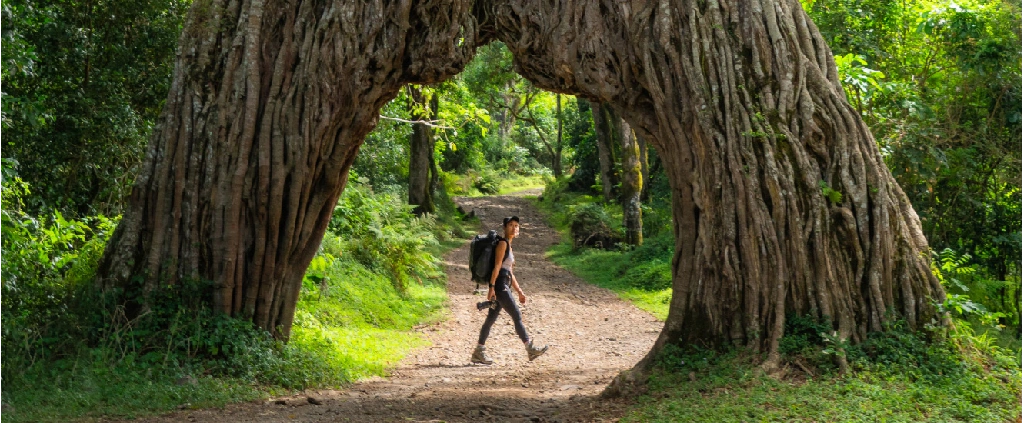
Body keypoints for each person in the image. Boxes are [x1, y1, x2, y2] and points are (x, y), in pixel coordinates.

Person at [471, 216, 548, 364]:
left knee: (491, 319)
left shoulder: (509, 246)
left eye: (516, 225)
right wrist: (492, 287)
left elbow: (510, 272)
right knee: (516, 314)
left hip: (503, 284)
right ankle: (530, 348)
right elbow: (497, 266)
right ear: (505, 227)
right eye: (511, 225)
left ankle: (478, 351)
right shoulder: (502, 244)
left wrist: (519, 291)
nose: (514, 228)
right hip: (500, 286)